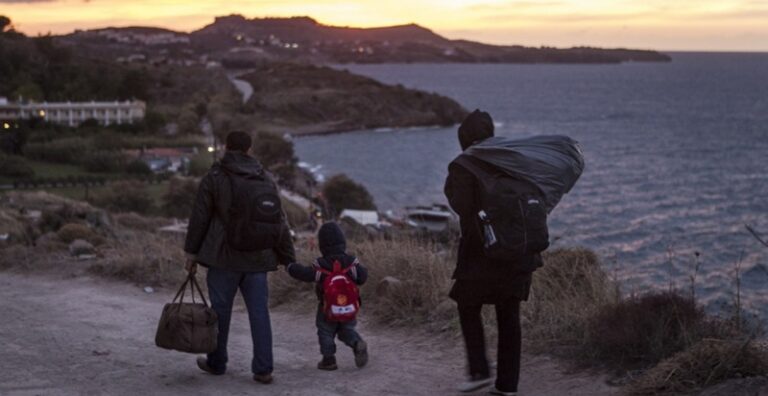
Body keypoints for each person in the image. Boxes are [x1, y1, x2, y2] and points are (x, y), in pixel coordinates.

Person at [184, 131, 296, 385]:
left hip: (223, 259)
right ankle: (264, 369)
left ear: (226, 147)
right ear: (249, 149)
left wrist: (191, 253)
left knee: (220, 312)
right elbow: (279, 220)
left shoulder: (214, 177)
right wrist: (288, 258)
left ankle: (216, 363)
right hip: (258, 258)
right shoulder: (265, 178)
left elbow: (199, 217)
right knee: (259, 312)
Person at [444, 110, 542, 396]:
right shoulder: (513, 160)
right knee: (508, 315)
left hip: (483, 253)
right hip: (520, 251)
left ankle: (479, 371)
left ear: (464, 139)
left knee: (466, 304)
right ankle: (507, 386)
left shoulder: (464, 165)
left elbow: (462, 206)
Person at [286, 222, 369, 371]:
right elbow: (362, 278)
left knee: (325, 331)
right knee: (346, 330)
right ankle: (356, 343)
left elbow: (305, 274)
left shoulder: (320, 264)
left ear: (322, 245)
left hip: (327, 307)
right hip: (349, 306)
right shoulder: (351, 262)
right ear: (343, 242)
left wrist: (290, 267)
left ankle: (328, 360)